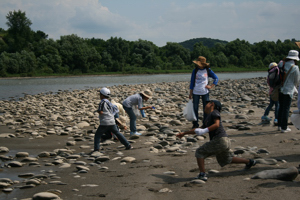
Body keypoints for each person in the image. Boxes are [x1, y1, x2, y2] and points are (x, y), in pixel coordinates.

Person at [176, 100, 256, 181]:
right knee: (227, 159)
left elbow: (217, 124)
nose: (205, 105)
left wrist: (205, 130)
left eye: (207, 103)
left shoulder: (214, 112)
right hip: (225, 140)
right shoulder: (208, 117)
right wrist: (184, 133)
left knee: (199, 152)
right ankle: (249, 162)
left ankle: (202, 174)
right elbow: (199, 129)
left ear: (212, 104)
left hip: (219, 139)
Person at [93, 87, 132, 152]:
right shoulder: (109, 102)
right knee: (118, 133)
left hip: (104, 122)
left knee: (97, 135)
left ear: (102, 95)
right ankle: (128, 145)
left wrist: (97, 111)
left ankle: (96, 149)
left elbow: (101, 112)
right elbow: (115, 110)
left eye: (100, 94)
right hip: (112, 121)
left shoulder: (102, 102)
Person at [189, 56, 219, 129]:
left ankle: (205, 123)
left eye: (199, 64)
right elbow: (192, 81)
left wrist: (211, 86)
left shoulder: (208, 70)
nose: (198, 65)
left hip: (205, 92)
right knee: (195, 108)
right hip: (196, 92)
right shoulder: (195, 70)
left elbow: (216, 78)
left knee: (206, 108)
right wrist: (190, 93)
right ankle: (195, 124)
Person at [277, 50, 300, 133]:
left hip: (280, 88)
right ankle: (284, 127)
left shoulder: (281, 64)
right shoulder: (295, 67)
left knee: (281, 107)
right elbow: (297, 80)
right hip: (288, 90)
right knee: (286, 109)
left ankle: (279, 125)